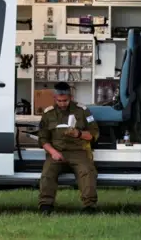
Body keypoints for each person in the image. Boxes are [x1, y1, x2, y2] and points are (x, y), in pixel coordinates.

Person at [37, 81, 100, 215]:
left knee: (87, 172)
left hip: (79, 151)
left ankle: (89, 207)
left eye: (65, 100)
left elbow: (94, 134)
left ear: (70, 97)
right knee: (48, 173)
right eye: (59, 101)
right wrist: (53, 152)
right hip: (56, 152)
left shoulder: (82, 111)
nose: (62, 103)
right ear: (55, 98)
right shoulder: (48, 114)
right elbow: (42, 139)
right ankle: (45, 206)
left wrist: (78, 133)